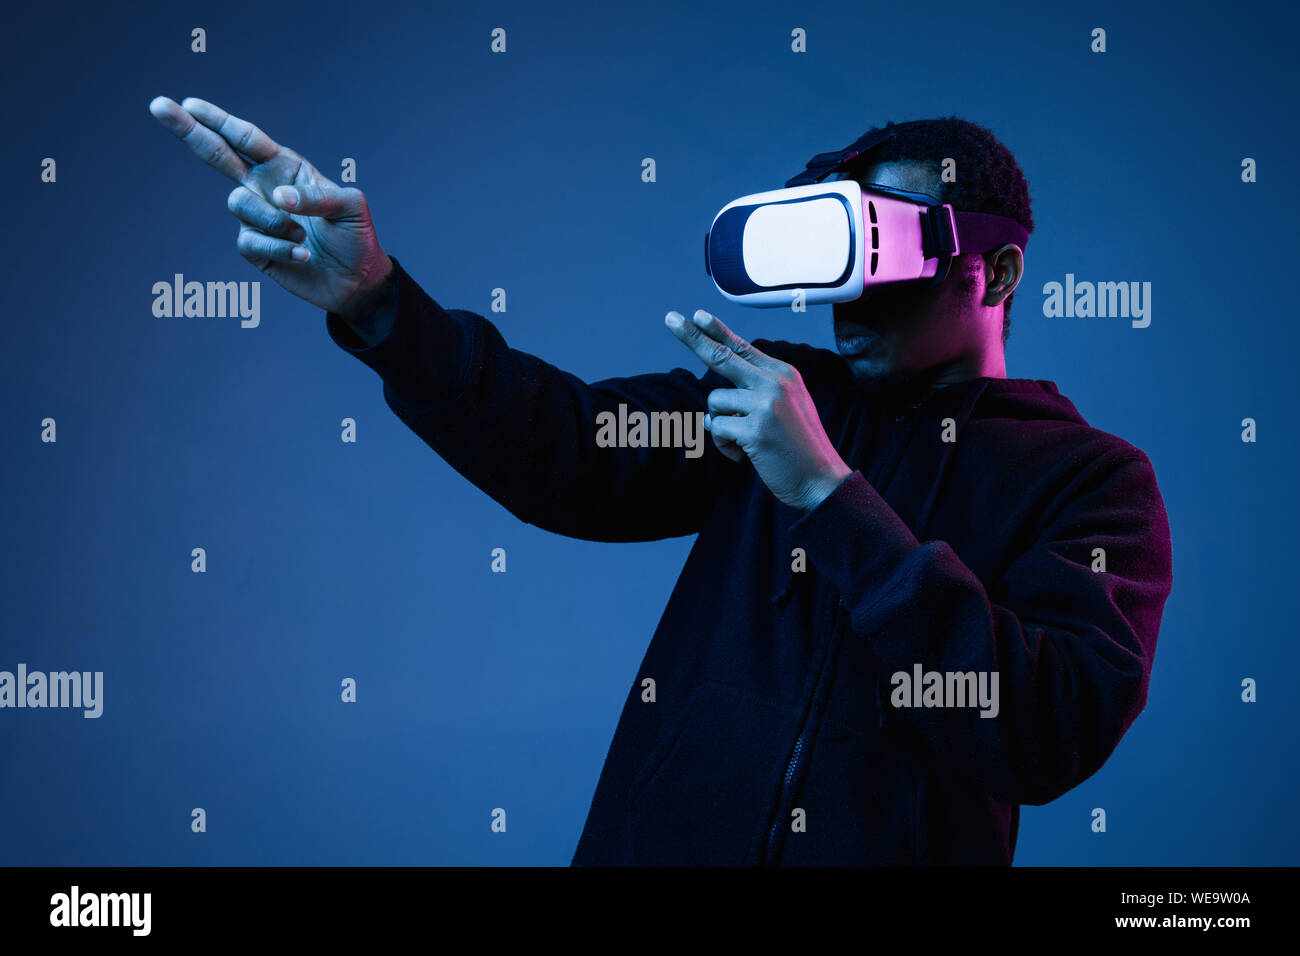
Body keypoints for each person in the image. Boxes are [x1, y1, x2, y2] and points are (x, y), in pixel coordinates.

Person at [149, 97, 1174, 865]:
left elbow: (1047, 730)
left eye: (887, 244)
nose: (849, 290)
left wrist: (827, 493)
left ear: (991, 274)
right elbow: (564, 446)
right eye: (834, 242)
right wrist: (380, 302)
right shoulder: (767, 391)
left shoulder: (1089, 483)